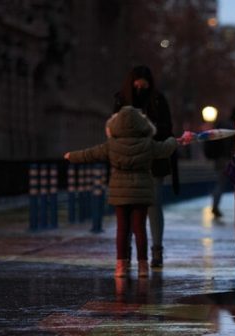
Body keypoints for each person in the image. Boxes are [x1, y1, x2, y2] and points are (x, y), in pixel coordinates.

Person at [64, 106, 179, 278]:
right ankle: (142, 266)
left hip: (120, 192)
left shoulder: (112, 145)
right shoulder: (148, 144)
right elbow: (165, 149)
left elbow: (90, 154)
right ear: (142, 124)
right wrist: (175, 140)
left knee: (122, 229)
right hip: (142, 191)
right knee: (140, 228)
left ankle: (121, 266)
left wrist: (71, 156)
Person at [114, 65, 176, 268]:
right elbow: (113, 128)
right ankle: (129, 250)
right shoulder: (121, 99)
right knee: (132, 208)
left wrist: (148, 131)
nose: (141, 86)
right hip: (130, 163)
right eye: (138, 82)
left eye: (145, 82)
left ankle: (156, 249)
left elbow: (167, 128)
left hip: (153, 161)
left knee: (154, 205)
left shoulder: (158, 99)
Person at [204, 106, 235, 218]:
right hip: (228, 159)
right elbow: (233, 146)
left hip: (219, 159)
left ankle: (215, 206)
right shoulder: (233, 127)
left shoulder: (222, 124)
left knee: (220, 183)